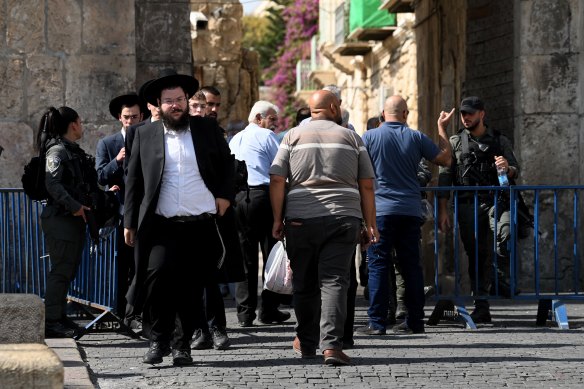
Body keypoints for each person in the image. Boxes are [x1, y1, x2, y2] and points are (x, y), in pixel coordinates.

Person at [124, 71, 234, 366]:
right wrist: (129, 221)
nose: (176, 105)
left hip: (200, 224)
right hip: (161, 225)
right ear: (157, 105)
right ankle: (157, 339)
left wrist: (224, 195)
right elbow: (133, 179)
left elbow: (228, 166)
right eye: (169, 101)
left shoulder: (206, 130)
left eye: (180, 100)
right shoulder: (144, 134)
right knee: (156, 280)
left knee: (190, 288)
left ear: (187, 102)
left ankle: (181, 345)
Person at [270, 90, 378, 366]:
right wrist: (371, 225)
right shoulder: (352, 138)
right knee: (334, 282)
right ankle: (331, 346)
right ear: (332, 107)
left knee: (304, 283)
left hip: (300, 220)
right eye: (339, 104)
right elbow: (366, 184)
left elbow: (277, 179)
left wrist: (277, 219)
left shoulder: (291, 136)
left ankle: (306, 343)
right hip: (343, 219)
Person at [357, 95, 453, 336]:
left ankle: (377, 323)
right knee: (411, 266)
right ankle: (415, 322)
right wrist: (442, 129)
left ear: (382, 114)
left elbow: (356, 174)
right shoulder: (416, 136)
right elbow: (445, 159)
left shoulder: (368, 137)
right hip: (410, 210)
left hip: (380, 211)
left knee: (378, 265)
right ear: (405, 114)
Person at [437, 96, 520, 324]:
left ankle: (499, 278)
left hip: (496, 200)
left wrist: (508, 168)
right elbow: (445, 173)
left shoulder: (499, 139)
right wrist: (442, 208)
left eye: (470, 113)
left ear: (482, 114)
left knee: (505, 235)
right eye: (463, 113)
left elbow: (515, 168)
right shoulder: (456, 141)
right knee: (475, 253)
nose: (466, 117)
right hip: (467, 204)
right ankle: (481, 303)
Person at [39, 107, 105, 338]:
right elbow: (52, 184)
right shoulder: (57, 151)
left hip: (71, 221)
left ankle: (58, 316)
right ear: (74, 124)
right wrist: (74, 205)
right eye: (80, 121)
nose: (82, 125)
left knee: (68, 270)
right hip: (61, 219)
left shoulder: (71, 151)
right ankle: (50, 320)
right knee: (61, 270)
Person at [229, 101, 290, 327]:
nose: (275, 123)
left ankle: (245, 314)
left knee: (245, 258)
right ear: (258, 118)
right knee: (271, 253)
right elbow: (280, 170)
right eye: (272, 118)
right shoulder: (266, 137)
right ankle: (269, 309)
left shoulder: (236, 139)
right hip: (262, 197)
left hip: (240, 198)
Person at [96, 93, 144, 318]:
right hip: (120, 213)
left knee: (141, 266)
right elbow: (101, 176)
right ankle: (120, 313)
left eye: (135, 117)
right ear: (119, 118)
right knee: (120, 266)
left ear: (141, 116)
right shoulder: (107, 143)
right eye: (126, 117)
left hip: (144, 212)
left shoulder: (149, 139)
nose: (130, 121)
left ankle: (138, 313)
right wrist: (117, 161)